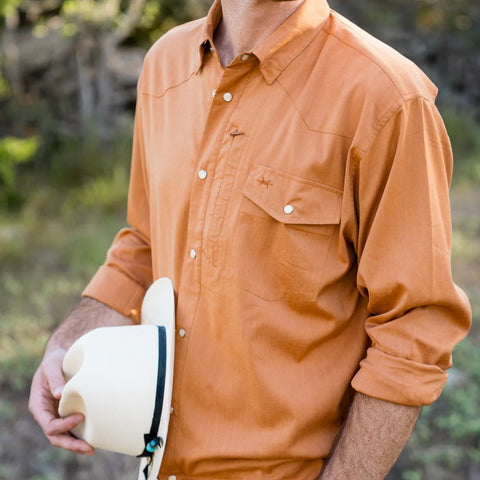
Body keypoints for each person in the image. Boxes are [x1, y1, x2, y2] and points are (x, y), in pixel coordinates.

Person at [29, 0, 472, 478]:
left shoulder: (387, 99)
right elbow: (145, 242)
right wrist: (67, 344)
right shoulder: (164, 64)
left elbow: (413, 328)